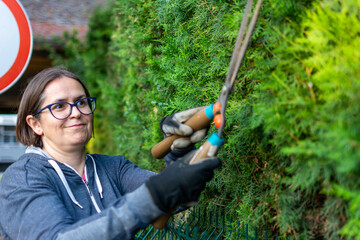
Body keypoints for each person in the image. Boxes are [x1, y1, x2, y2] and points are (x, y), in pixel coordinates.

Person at [0, 67, 220, 240]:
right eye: (59, 106)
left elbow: (174, 197)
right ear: (35, 124)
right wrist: (152, 196)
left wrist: (178, 152)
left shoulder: (112, 168)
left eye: (82, 102)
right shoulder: (22, 179)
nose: (76, 113)